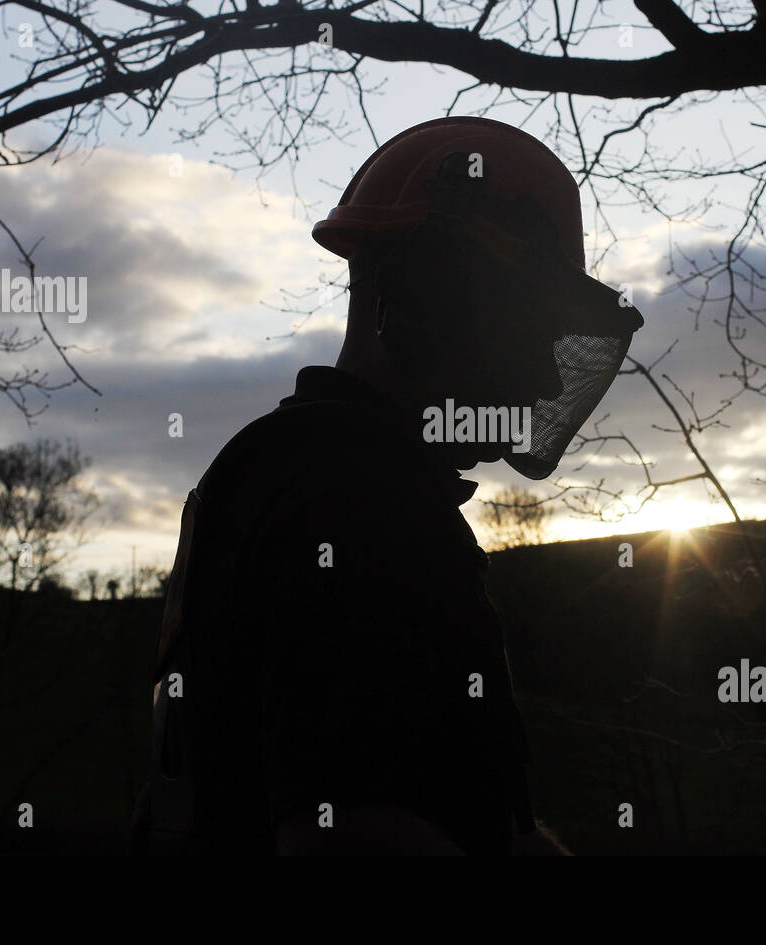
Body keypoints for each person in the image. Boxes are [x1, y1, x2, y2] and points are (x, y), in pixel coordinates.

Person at [132, 116, 643, 855]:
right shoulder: (358, 503)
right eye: (525, 329)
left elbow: (468, 818)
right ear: (418, 296)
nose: (546, 377)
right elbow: (361, 836)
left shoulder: (304, 469)